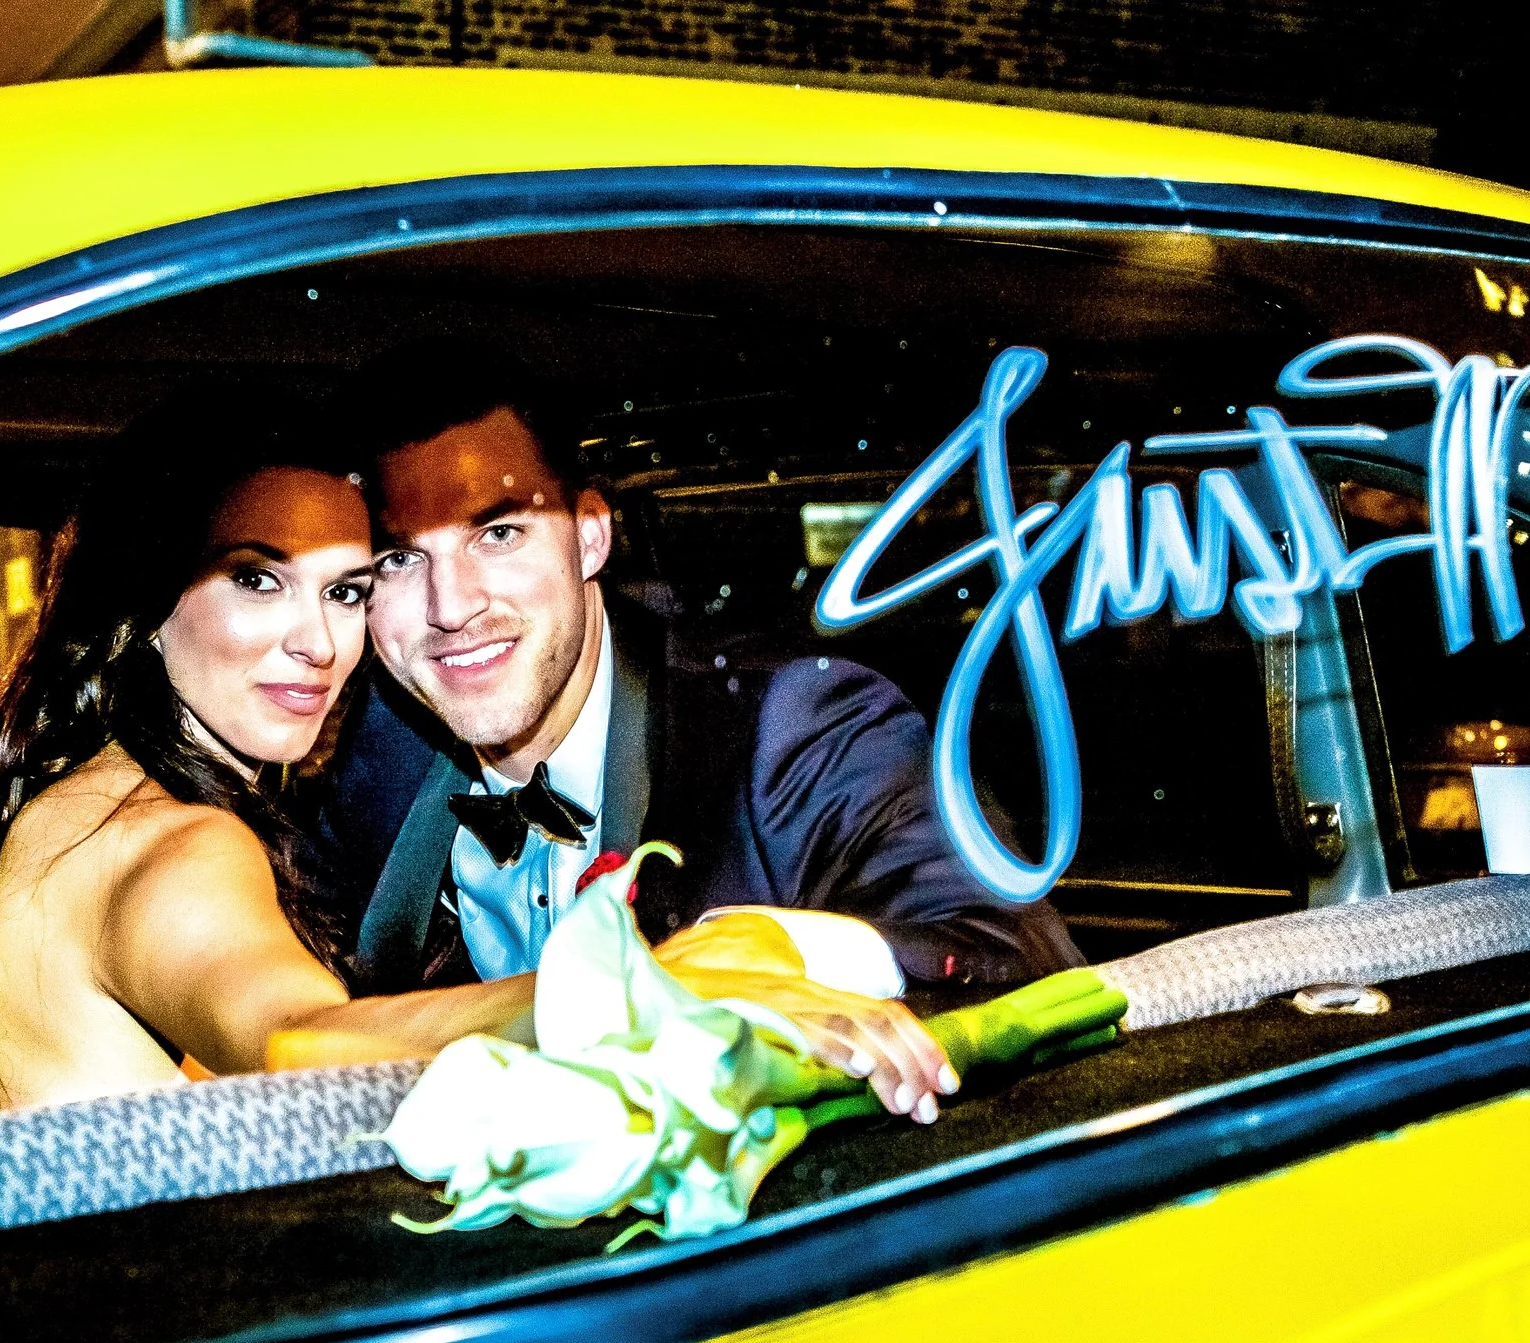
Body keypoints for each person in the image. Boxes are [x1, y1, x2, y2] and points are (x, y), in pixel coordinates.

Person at [0, 399, 952, 1133]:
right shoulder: (178, 845)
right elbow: (299, 1035)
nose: (317, 641)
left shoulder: (80, 805)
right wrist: (656, 988)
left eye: (345, 590)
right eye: (258, 579)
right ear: (147, 599)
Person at [320, 353, 1079, 1107]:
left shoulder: (788, 720)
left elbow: (1019, 952)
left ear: (591, 536)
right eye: (399, 559)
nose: (452, 607)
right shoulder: (369, 772)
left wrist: (762, 954)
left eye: (499, 534)